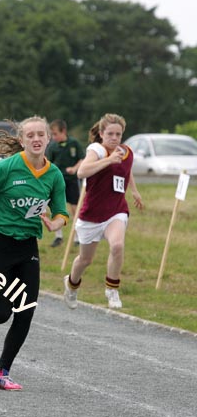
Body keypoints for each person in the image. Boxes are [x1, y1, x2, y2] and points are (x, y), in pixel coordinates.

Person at [0, 116, 69, 391]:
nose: (36, 139)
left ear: (48, 139)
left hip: (27, 247)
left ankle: (2, 371)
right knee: (0, 315)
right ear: (22, 140)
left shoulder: (54, 174)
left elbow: (61, 213)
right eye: (31, 135)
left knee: (25, 310)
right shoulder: (6, 168)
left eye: (41, 135)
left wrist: (54, 223)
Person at [63, 114, 143, 310]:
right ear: (101, 134)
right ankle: (72, 284)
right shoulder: (96, 150)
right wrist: (108, 161)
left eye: (118, 134)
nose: (114, 138)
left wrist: (134, 190)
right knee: (85, 260)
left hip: (116, 210)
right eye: (110, 134)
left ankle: (112, 288)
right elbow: (82, 172)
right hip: (91, 215)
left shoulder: (125, 152)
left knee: (117, 246)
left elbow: (126, 169)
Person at [46, 119, 85, 247]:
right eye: (52, 134)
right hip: (57, 182)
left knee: (75, 209)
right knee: (56, 208)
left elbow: (82, 159)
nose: (53, 137)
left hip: (72, 181)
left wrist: (74, 168)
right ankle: (58, 236)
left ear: (64, 131)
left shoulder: (74, 143)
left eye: (55, 133)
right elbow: (47, 164)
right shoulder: (52, 147)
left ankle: (77, 237)